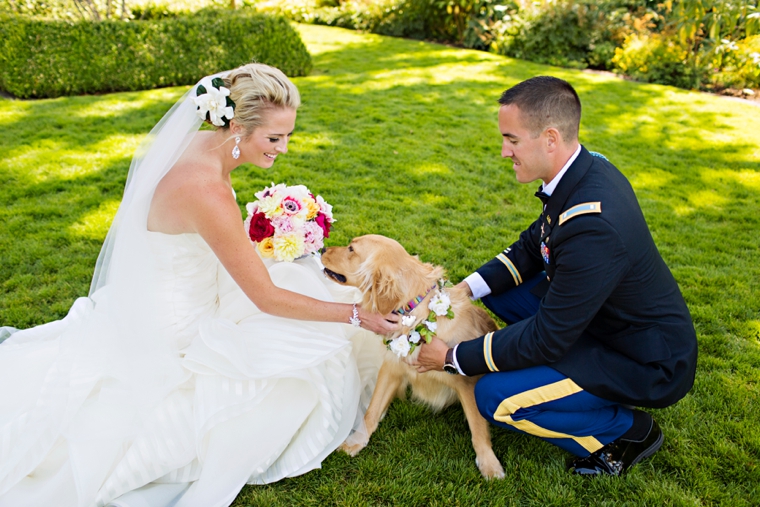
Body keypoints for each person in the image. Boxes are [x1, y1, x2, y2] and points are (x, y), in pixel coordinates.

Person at [0, 63, 398, 507]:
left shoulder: (195, 145)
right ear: (236, 127)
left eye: (287, 136)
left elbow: (206, 239)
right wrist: (358, 316)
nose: (283, 149)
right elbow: (266, 299)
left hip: (164, 292)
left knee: (301, 281)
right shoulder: (205, 190)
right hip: (178, 328)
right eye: (273, 138)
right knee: (299, 355)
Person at [417, 76, 697, 476]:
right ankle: (537, 368)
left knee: (494, 398)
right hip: (599, 318)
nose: (503, 151)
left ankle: (629, 430)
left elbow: (549, 336)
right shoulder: (583, 169)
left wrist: (452, 358)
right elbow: (535, 245)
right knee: (497, 291)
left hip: (640, 358)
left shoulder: (593, 225)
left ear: (550, 138)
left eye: (512, 140)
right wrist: (463, 291)